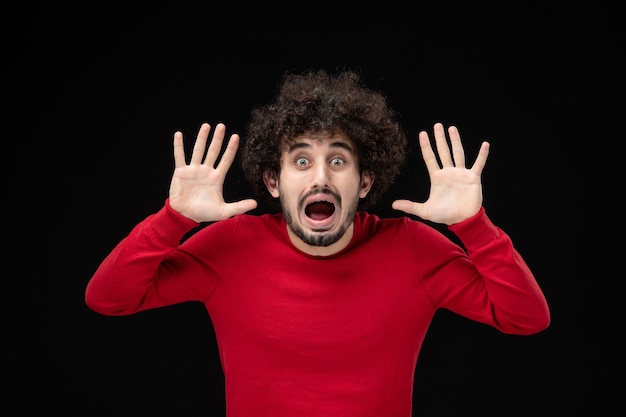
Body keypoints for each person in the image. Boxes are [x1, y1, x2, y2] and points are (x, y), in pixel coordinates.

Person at [85, 69, 550, 416]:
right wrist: (173, 219)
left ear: (365, 181)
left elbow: (526, 318)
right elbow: (108, 298)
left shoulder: (412, 248)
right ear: (273, 181)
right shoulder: (231, 246)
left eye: (339, 161)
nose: (321, 175)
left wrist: (474, 225)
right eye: (301, 161)